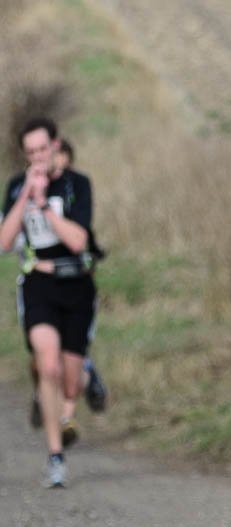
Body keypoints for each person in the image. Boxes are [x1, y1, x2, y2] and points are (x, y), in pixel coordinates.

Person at [0, 117, 97, 486]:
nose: (37, 157)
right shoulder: (16, 186)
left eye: (42, 149)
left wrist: (43, 206)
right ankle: (56, 457)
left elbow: (78, 241)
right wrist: (25, 194)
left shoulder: (77, 184)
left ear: (55, 146)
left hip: (76, 284)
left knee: (70, 384)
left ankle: (84, 376)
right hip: (38, 284)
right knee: (48, 364)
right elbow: (5, 242)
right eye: (30, 152)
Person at [27, 138, 108, 432]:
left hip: (76, 290)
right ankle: (44, 395)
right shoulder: (28, 192)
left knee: (68, 360)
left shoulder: (75, 192)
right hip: (41, 288)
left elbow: (86, 243)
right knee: (45, 359)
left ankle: (66, 415)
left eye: (62, 157)